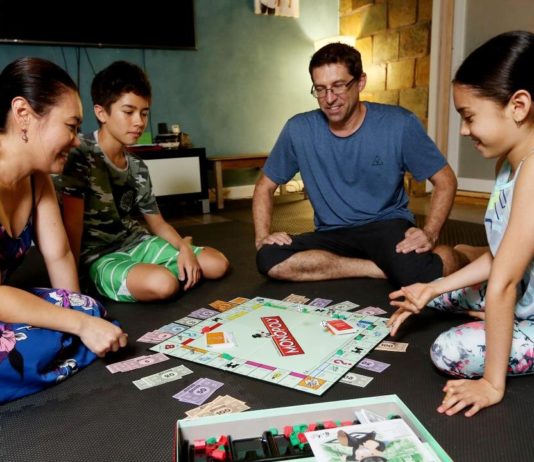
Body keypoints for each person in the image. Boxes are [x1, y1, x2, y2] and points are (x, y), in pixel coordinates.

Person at [388, 31, 534, 417]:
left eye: (469, 117)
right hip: (522, 287)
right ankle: (504, 315)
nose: (464, 131)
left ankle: (513, 325)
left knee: (448, 351)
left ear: (518, 106)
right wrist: (432, 288)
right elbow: (501, 256)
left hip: (517, 291)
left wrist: (491, 384)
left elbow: (504, 281)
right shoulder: (509, 163)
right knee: (434, 292)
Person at [253, 42, 464, 288]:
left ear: (360, 82)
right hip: (331, 233)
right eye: (320, 89)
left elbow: (446, 180)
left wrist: (430, 233)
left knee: (419, 274)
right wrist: (262, 238)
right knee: (269, 258)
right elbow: (264, 186)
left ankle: (464, 254)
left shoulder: (399, 123)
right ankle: (380, 268)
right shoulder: (298, 129)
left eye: (338, 86)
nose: (329, 98)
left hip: (385, 226)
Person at [0, 57, 127, 404]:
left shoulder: (37, 178)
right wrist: (79, 326)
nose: (76, 141)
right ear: (23, 114)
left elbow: (58, 254)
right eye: (71, 127)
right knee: (27, 347)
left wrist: (79, 313)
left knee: (89, 308)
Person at [54, 61, 229, 303]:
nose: (139, 121)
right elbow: (72, 228)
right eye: (128, 112)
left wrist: (184, 248)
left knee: (217, 264)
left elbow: (157, 223)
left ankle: (158, 265)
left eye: (144, 113)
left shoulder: (138, 167)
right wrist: (72, 287)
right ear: (101, 112)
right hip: (99, 257)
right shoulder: (79, 154)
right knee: (164, 284)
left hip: (137, 243)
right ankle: (147, 274)